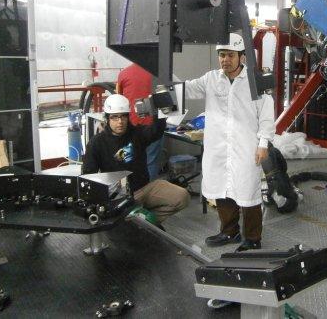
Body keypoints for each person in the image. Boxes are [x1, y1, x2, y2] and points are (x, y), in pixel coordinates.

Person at [184, 33, 275, 252]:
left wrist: (263, 143)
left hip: (245, 147)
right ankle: (229, 231)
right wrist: (165, 81)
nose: (225, 59)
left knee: (248, 191)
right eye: (222, 55)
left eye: (230, 55)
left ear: (242, 57)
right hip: (217, 147)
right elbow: (187, 88)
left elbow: (266, 114)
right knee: (221, 189)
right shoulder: (211, 78)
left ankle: (253, 238)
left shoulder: (255, 81)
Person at [82, 94, 190, 226]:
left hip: (144, 189)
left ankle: (146, 221)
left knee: (182, 197)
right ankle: (134, 222)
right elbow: (88, 176)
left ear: (128, 116)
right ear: (107, 118)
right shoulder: (97, 143)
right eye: (114, 117)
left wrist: (157, 111)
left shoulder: (137, 134)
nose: (120, 121)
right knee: (122, 224)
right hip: (118, 197)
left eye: (123, 116)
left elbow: (156, 131)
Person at [117, 63, 164, 180]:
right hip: (153, 126)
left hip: (131, 128)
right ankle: (150, 192)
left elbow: (118, 100)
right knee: (151, 162)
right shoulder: (158, 72)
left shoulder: (123, 74)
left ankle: (132, 192)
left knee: (129, 161)